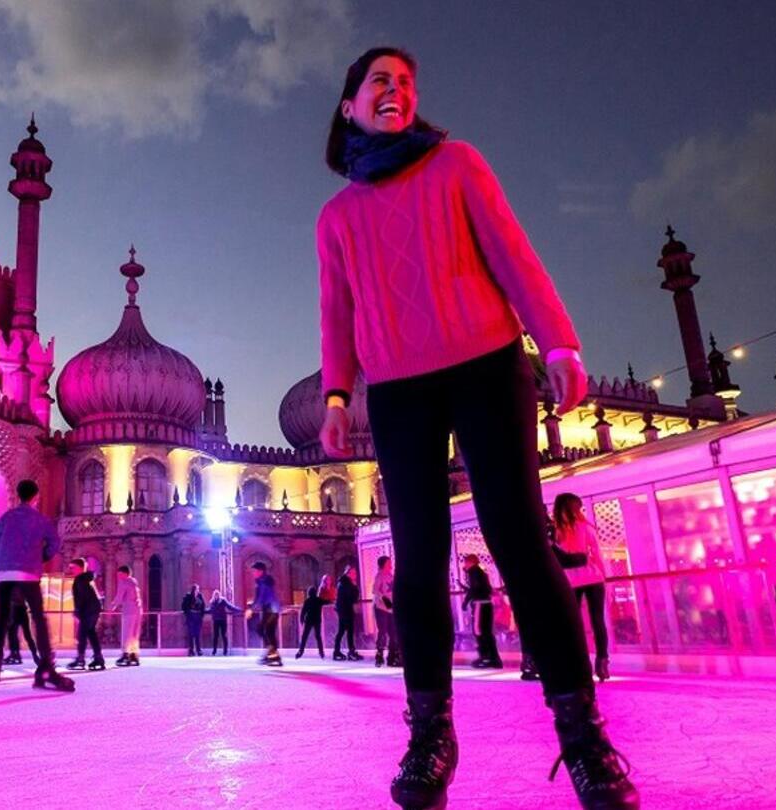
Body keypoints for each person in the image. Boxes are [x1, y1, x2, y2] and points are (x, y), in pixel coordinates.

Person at [316, 47, 638, 809]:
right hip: (398, 392)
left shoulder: (456, 164)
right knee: (420, 561)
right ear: (348, 106)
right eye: (378, 83)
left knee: (522, 546)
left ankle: (584, 738)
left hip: (489, 369)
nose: (394, 92)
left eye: (405, 83)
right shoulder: (337, 218)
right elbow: (338, 313)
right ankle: (430, 733)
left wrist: (557, 341)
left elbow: (512, 252)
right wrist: (335, 395)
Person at [0, 479, 73, 692]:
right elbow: (55, 543)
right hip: (27, 572)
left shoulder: (5, 519)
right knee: (38, 618)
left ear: (18, 495)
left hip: (2, 573)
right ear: (36, 497)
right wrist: (41, 556)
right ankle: (47, 667)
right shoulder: (39, 519)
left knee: (2, 618)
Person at [553, 494, 610, 680]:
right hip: (593, 577)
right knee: (597, 620)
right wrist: (605, 580)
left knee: (574, 624)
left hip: (570, 581)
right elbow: (598, 556)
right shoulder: (586, 528)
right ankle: (602, 662)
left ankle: (579, 663)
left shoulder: (555, 531)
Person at [461, 555, 501, 669]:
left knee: (479, 631)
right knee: (487, 631)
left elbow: (475, 588)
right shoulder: (481, 572)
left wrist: (466, 601)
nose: (464, 565)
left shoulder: (473, 571)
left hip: (480, 604)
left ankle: (486, 657)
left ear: (470, 562)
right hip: (486, 603)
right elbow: (485, 587)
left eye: (465, 563)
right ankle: (494, 658)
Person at [67, 558, 105, 671]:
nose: (71, 570)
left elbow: (82, 597)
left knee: (82, 634)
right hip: (93, 609)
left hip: (87, 610)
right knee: (90, 632)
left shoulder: (80, 580)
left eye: (72, 567)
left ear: (79, 568)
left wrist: (77, 610)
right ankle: (98, 657)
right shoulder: (86, 579)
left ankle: (80, 658)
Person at [109, 565, 143, 667]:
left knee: (127, 633)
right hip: (138, 610)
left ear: (124, 573)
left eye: (119, 574)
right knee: (134, 634)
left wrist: (112, 607)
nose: (118, 577)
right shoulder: (134, 582)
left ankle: (125, 654)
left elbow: (119, 596)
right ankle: (134, 654)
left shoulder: (124, 582)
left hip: (129, 611)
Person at [249, 562, 282, 666]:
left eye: (254, 571)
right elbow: (258, 598)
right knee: (268, 632)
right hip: (269, 609)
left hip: (271, 609)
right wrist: (253, 605)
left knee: (265, 630)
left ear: (260, 571)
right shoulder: (260, 581)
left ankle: (272, 655)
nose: (253, 573)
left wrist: (252, 609)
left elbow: (262, 597)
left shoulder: (264, 582)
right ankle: (273, 655)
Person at [372, 555, 401, 667]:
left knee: (393, 633)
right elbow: (374, 590)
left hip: (390, 609)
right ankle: (379, 655)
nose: (391, 564)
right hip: (381, 608)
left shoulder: (390, 575)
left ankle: (392, 657)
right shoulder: (379, 575)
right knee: (383, 631)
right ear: (384, 564)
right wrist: (384, 600)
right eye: (389, 562)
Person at [333, 565, 362, 661]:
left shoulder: (344, 583)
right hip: (346, 610)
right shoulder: (346, 584)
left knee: (342, 631)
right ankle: (350, 651)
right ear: (348, 573)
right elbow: (352, 598)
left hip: (344, 610)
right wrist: (355, 588)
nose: (355, 575)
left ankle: (338, 651)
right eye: (353, 573)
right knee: (348, 631)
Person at [4, 598, 40, 667]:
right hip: (20, 610)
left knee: (13, 633)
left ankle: (15, 655)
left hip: (17, 610)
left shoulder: (14, 588)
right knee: (16, 634)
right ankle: (17, 655)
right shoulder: (21, 588)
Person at [296, 584, 329, 659]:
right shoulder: (319, 600)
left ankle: (300, 651)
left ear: (308, 593)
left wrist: (301, 620)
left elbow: (303, 612)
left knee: (304, 637)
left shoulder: (307, 601)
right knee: (318, 637)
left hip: (308, 621)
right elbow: (327, 602)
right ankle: (321, 652)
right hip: (317, 621)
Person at [181, 584, 206, 656]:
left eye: (198, 589)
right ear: (194, 589)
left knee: (197, 634)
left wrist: (201, 615)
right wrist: (188, 613)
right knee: (191, 634)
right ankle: (191, 650)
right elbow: (183, 606)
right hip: (191, 616)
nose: (198, 590)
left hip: (198, 617)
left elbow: (203, 606)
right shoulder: (188, 596)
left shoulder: (200, 596)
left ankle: (198, 650)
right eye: (197, 589)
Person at [207, 589, 234, 655]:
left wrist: (237, 609)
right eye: (215, 595)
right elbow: (210, 610)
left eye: (217, 594)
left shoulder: (223, 601)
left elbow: (229, 606)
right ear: (214, 595)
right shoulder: (212, 602)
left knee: (224, 635)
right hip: (216, 621)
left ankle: (225, 651)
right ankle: (214, 651)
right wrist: (201, 611)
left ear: (219, 595)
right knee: (215, 636)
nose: (216, 596)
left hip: (222, 620)